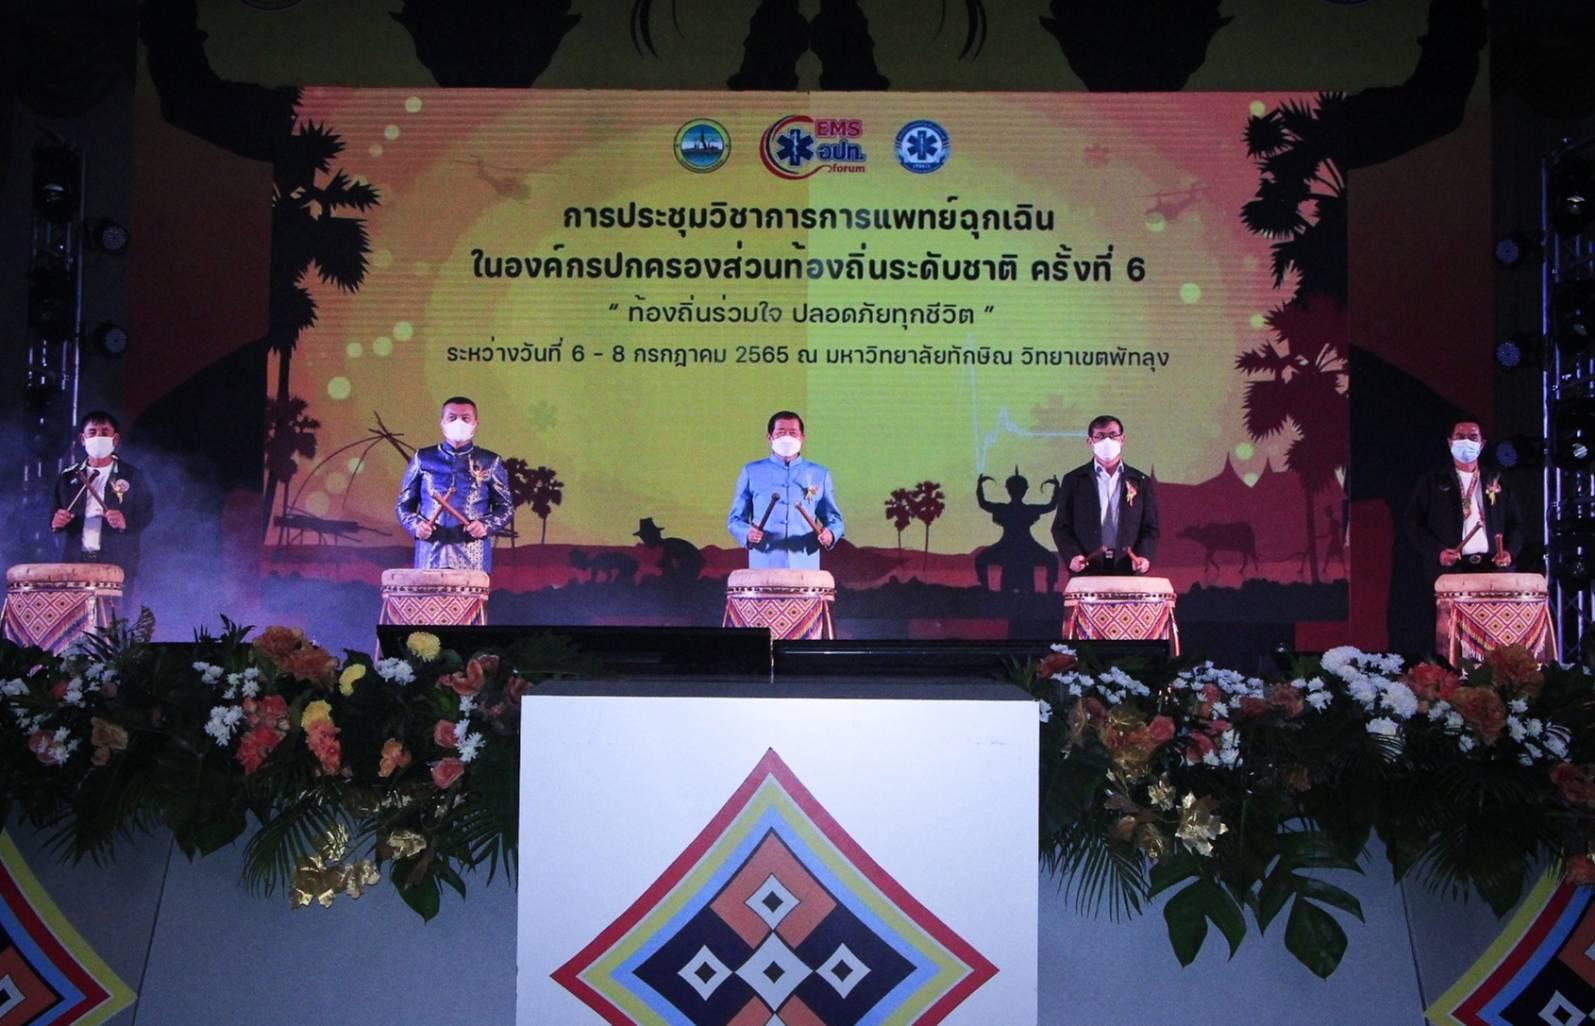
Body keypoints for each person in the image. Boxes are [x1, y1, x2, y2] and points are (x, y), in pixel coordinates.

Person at [394, 397, 513, 571]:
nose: (458, 422)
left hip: (473, 557)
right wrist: (416, 525)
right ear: (442, 423)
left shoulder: (489, 461)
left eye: (465, 418)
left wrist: (486, 525)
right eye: (452, 418)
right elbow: (403, 506)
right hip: (430, 555)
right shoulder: (423, 458)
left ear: (475, 424)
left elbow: (505, 507)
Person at [50, 411, 156, 590]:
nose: (98, 437)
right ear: (83, 439)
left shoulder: (131, 475)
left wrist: (125, 522)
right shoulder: (68, 477)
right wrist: (56, 522)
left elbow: (147, 513)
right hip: (75, 561)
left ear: (115, 439)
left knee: (115, 608)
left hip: (117, 561)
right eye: (92, 432)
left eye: (105, 432)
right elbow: (54, 513)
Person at [1405, 418, 1522, 581]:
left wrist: (1509, 552)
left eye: (1473, 437)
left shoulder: (1496, 480)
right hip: (1450, 572)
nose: (1466, 442)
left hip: (1493, 569)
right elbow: (1414, 524)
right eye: (1460, 437)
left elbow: (1515, 524)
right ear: (1450, 443)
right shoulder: (1433, 481)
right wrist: (1437, 552)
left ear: (1482, 444)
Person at [727, 411, 844, 569]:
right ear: (770, 438)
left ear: (802, 438)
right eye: (781, 433)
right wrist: (747, 532)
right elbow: (735, 520)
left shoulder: (819, 474)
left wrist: (831, 534)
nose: (787, 438)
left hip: (805, 565)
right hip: (764, 563)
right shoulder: (751, 471)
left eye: (793, 433)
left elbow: (834, 520)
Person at [1050, 414, 1159, 576]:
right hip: (1087, 565)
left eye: (1113, 435)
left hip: (1128, 565)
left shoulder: (1140, 481)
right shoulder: (1074, 479)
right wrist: (1072, 555)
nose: (1107, 441)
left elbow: (1150, 527)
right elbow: (1061, 526)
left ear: (1122, 439)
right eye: (1100, 436)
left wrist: (1144, 555)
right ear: (1090, 442)